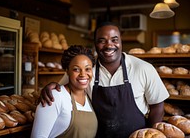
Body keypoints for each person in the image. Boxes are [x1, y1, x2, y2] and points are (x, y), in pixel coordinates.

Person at [40, 21, 169, 138]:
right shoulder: (87, 70)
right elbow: (63, 88)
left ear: (120, 41)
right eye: (102, 41)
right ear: (95, 44)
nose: (109, 45)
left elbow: (158, 106)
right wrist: (52, 86)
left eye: (114, 40)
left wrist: (152, 134)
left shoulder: (143, 68)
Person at [31, 45, 98, 138]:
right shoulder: (55, 97)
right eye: (76, 69)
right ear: (67, 71)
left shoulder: (89, 97)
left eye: (87, 69)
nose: (83, 74)